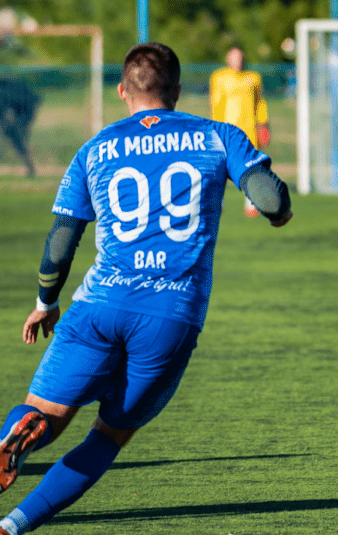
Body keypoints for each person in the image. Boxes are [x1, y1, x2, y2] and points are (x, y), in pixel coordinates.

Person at [0, 42, 292, 535]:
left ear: (122, 91)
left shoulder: (95, 149)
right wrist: (278, 209)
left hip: (96, 304)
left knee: (45, 414)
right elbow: (268, 197)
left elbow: (62, 240)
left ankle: (19, 434)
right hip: (169, 314)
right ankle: (12, 526)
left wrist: (45, 301)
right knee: (109, 435)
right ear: (177, 91)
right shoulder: (217, 135)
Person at [210, 46, 271, 217]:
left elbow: (260, 103)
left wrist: (263, 125)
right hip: (227, 130)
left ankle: (251, 204)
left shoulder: (253, 78)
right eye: (234, 58)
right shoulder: (219, 78)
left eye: (240, 57)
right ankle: (218, 203)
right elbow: (216, 103)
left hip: (249, 130)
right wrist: (217, 127)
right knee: (221, 168)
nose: (238, 61)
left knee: (251, 167)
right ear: (228, 59)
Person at [0, 79, 40, 178]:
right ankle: (29, 166)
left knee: (14, 135)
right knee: (14, 135)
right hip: (19, 107)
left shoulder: (8, 92)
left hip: (23, 107)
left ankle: (30, 167)